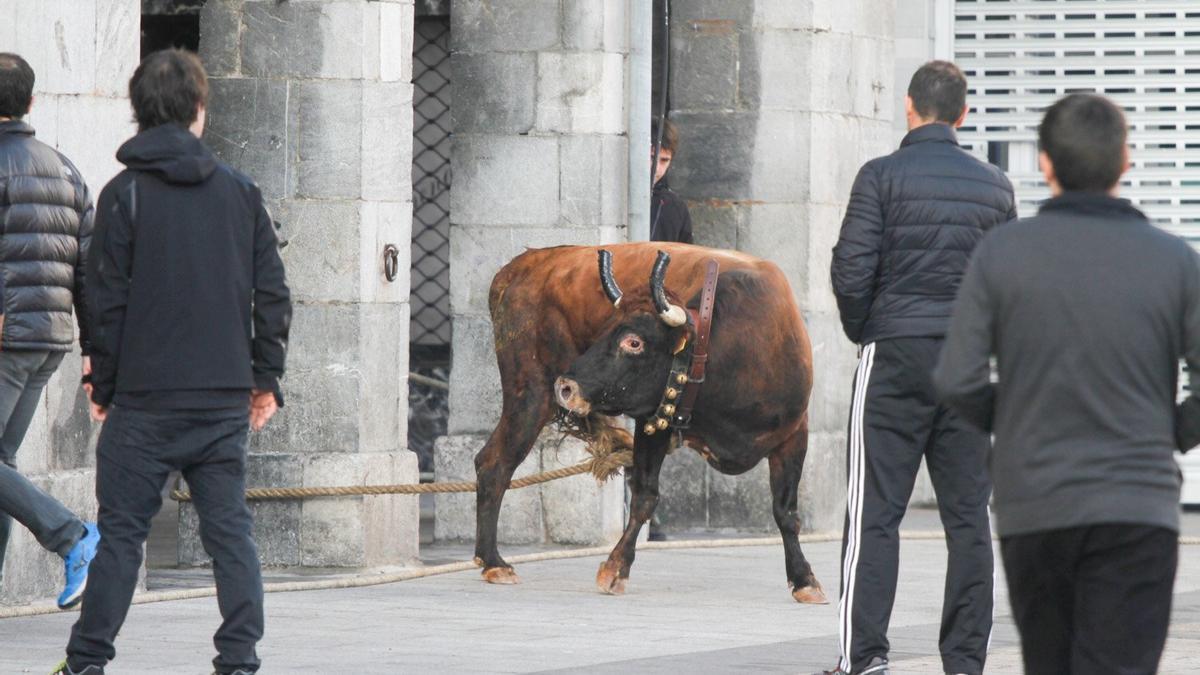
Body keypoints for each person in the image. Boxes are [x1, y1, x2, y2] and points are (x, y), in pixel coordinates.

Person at [933, 93, 1198, 675]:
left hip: (1036, 504)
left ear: (1045, 163)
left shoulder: (1002, 254)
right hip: (1138, 504)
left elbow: (956, 376)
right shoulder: (1175, 261)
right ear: (1125, 161)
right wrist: (1170, 432)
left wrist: (1018, 419)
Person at [55, 49, 291, 675]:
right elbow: (271, 295)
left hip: (144, 400)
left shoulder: (123, 194)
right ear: (198, 111)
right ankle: (238, 660)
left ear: (138, 110)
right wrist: (265, 378)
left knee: (122, 537)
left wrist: (102, 381)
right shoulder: (242, 193)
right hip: (219, 398)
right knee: (230, 536)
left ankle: (86, 661)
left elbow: (104, 302)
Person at [819, 60, 1016, 675]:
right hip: (966, 363)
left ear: (909, 108)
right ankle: (964, 663)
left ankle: (866, 659)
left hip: (895, 356)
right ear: (962, 114)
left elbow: (851, 271)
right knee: (969, 520)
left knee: (875, 512)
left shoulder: (879, 176)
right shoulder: (996, 186)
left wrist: (868, 331)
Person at [0, 52, 101, 611]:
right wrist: (93, 353)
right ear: (31, 102)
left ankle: (71, 535)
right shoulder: (65, 168)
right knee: (3, 465)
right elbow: (87, 272)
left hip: (8, 335)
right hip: (50, 340)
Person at [650, 117, 693, 244]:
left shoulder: (676, 207)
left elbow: (685, 259)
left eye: (664, 160)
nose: (656, 168)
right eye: (651, 157)